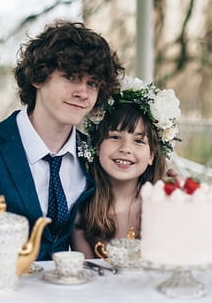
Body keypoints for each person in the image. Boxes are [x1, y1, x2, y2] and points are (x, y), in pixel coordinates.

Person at [0, 20, 123, 263]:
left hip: (73, 295)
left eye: (92, 83)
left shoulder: (96, 154)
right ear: (38, 77)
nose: (83, 93)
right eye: (71, 77)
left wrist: (169, 181)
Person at [71, 76, 182, 258]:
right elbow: (88, 273)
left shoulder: (163, 203)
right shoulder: (82, 211)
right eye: (115, 137)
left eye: (139, 141)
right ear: (97, 145)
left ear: (152, 155)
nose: (125, 149)